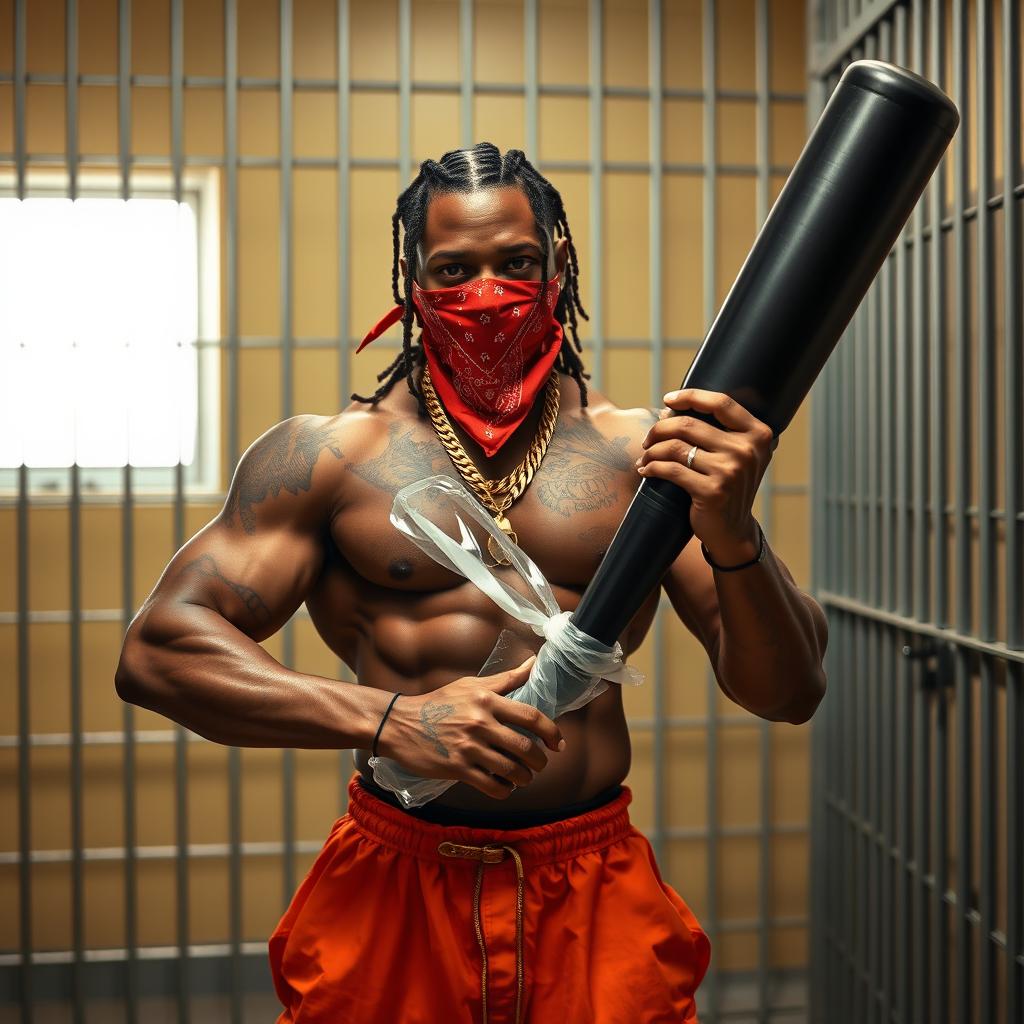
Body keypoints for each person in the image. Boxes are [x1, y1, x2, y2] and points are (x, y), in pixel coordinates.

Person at [115, 141, 828, 1023]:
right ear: (411, 283)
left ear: (559, 264)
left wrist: (733, 535)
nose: (487, 294)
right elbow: (157, 652)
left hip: (589, 884)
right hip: (397, 877)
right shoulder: (331, 457)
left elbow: (788, 691)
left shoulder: (646, 459)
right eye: (454, 270)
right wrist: (393, 719)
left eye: (516, 264)